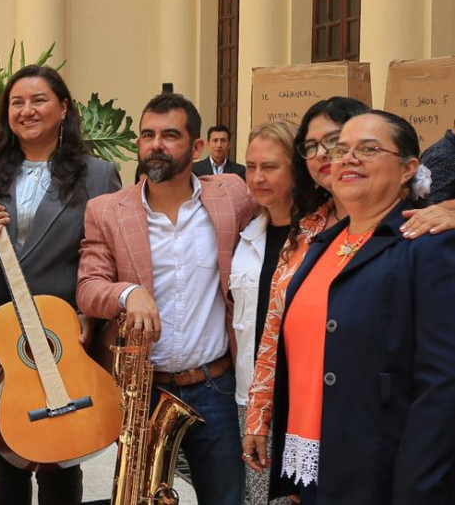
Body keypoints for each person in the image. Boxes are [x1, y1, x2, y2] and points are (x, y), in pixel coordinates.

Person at [258, 111, 455, 503]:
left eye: (368, 149)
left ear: (407, 169)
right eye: (341, 149)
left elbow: (443, 386)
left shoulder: (426, 246)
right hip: (314, 468)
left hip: (382, 475)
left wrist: (419, 490)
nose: (348, 159)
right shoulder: (320, 245)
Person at [77, 92, 254, 505]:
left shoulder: (232, 196)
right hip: (145, 392)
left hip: (215, 387)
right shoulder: (107, 210)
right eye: (147, 135)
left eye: (169, 135)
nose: (155, 144)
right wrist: (128, 292)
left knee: (226, 499)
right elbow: (88, 288)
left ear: (196, 148)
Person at [0, 65, 121, 505]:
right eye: (16, 102)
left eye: (38, 100)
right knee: (4, 463)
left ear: (63, 109)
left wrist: (88, 315)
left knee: (59, 464)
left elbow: (106, 257)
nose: (26, 110)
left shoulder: (97, 175)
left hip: (62, 340)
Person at [229, 120, 298, 505]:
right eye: (250, 166)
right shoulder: (247, 235)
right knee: (258, 498)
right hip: (250, 397)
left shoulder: (320, 236)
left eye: (270, 167)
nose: (257, 177)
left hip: (300, 399)